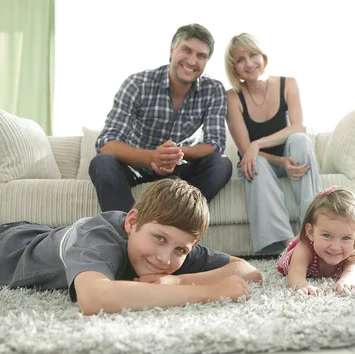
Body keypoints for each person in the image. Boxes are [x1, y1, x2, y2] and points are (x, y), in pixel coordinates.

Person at [0, 178, 262, 315]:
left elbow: (248, 270)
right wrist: (207, 292)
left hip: (44, 234)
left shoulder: (171, 248)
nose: (163, 259)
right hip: (9, 243)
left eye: (181, 250)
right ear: (132, 222)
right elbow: (93, 298)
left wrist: (179, 282)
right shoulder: (99, 237)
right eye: (159, 238)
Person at [89, 24, 232, 212]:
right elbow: (106, 143)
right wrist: (153, 157)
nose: (192, 60)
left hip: (180, 168)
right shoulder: (137, 84)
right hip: (137, 164)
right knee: (102, 162)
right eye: (186, 50)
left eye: (201, 56)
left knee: (221, 164)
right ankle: (127, 228)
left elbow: (215, 144)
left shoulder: (213, 90)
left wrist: (175, 153)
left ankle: (178, 220)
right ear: (172, 51)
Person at [224, 33, 322, 254]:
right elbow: (245, 150)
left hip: (292, 157)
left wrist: (257, 143)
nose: (248, 64)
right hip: (260, 165)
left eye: (253, 55)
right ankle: (287, 244)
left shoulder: (288, 84)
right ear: (234, 68)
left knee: (300, 140)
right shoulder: (232, 97)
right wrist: (272, 157)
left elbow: (298, 127)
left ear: (263, 57)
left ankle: (314, 229)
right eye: (240, 60)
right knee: (253, 159)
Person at [276, 186, 355, 295]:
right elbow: (295, 272)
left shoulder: (353, 252)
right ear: (311, 232)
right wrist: (303, 285)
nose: (335, 247)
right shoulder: (304, 248)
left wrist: (346, 281)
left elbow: (353, 271)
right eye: (327, 235)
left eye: (346, 238)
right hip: (299, 252)